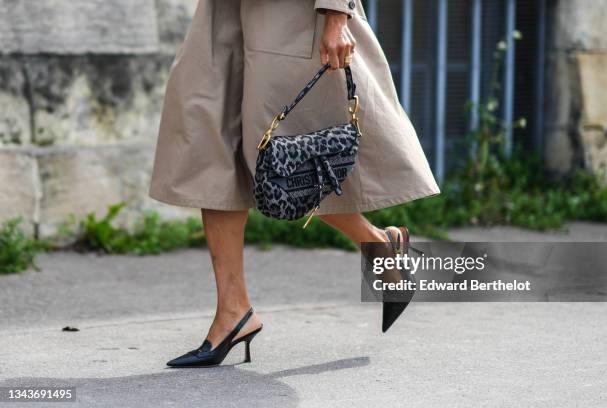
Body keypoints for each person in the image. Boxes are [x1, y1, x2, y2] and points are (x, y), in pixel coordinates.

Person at [149, 0, 439, 367]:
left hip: (291, 17)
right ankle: (233, 311)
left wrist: (335, 14)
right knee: (211, 154)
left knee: (285, 162)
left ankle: (377, 244)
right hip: (220, 14)